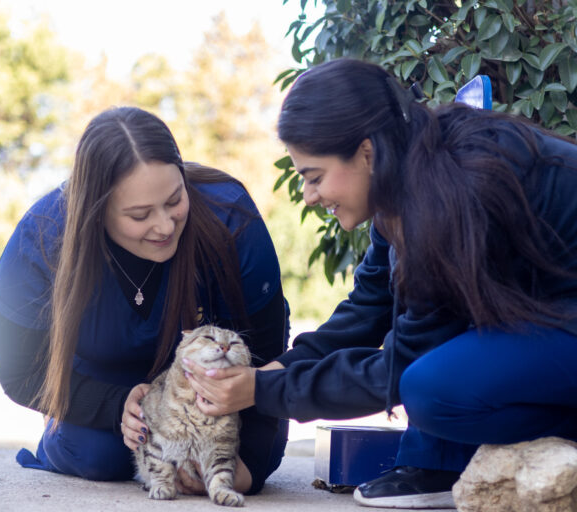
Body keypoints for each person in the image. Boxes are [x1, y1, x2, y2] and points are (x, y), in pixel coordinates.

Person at [185, 58, 577, 509]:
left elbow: (401, 365)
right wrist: (277, 369)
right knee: (436, 376)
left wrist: (262, 391)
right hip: (558, 320)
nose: (309, 196)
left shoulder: (449, 195)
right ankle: (438, 462)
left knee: (430, 390)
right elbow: (366, 310)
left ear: (366, 153)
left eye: (314, 177)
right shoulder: (408, 184)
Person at [0, 106, 289, 495]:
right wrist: (115, 405)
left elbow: (266, 354)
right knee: (99, 456)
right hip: (101, 384)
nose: (164, 226)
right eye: (139, 215)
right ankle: (64, 430)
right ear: (96, 211)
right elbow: (20, 372)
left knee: (253, 456)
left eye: (174, 200)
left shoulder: (231, 217)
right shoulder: (41, 239)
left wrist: (246, 463)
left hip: (215, 393)